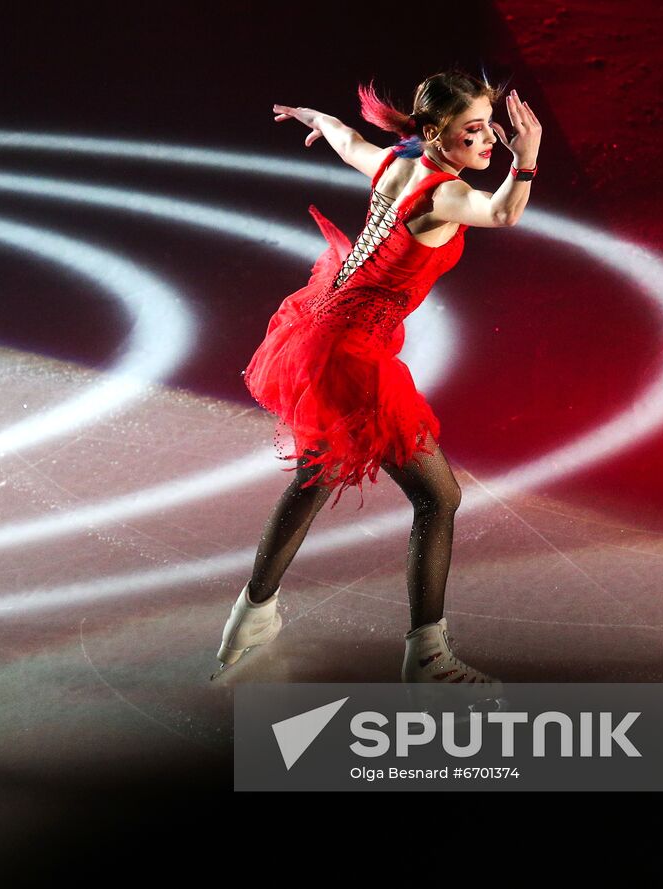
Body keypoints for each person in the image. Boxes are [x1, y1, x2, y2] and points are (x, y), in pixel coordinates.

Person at [213, 69, 541, 686]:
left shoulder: (397, 161)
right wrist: (527, 158)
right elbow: (503, 214)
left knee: (318, 472)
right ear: (437, 132)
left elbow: (347, 140)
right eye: (475, 132)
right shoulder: (442, 194)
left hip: (321, 331)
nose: (489, 142)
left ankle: (248, 619)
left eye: (492, 130)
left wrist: (316, 118)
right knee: (438, 496)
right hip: (352, 354)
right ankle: (428, 658)